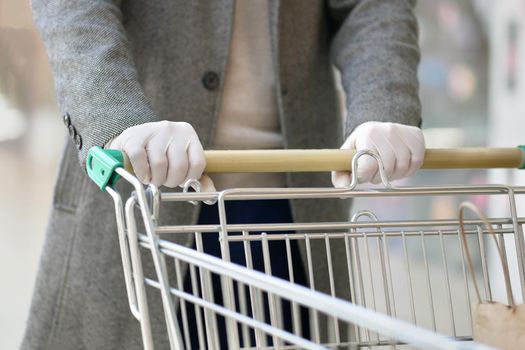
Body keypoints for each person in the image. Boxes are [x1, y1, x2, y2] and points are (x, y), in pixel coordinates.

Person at [23, 0, 424, 349]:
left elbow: (371, 7)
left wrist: (384, 106)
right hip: (147, 192)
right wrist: (120, 122)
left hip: (296, 209)